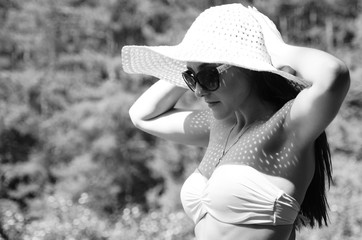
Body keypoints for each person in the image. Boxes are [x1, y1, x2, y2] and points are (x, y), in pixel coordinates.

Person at [121, 4, 350, 240]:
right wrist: (192, 63)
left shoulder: (288, 125)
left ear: (248, 67)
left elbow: (334, 74)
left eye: (210, 76)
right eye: (191, 78)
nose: (198, 92)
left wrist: (276, 50)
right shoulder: (220, 124)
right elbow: (141, 115)